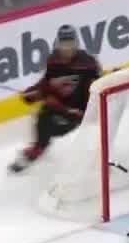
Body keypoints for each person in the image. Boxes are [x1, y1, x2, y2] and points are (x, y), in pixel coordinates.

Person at [9, 25, 101, 173]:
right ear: (58, 44)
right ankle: (38, 148)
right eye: (64, 44)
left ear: (76, 43)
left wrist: (85, 111)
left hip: (78, 113)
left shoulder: (88, 64)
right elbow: (45, 84)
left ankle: (41, 147)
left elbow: (97, 87)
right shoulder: (53, 61)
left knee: (49, 120)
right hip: (60, 109)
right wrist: (32, 94)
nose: (67, 48)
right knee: (44, 114)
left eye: (70, 44)